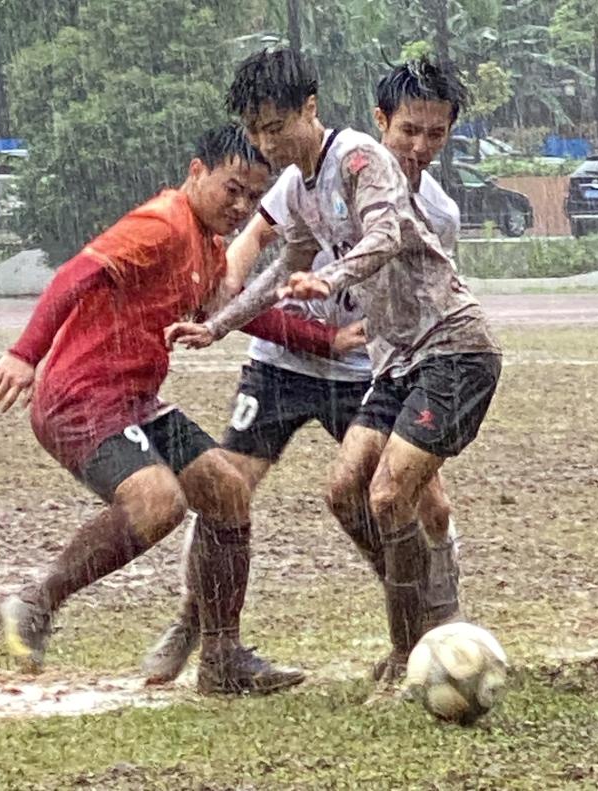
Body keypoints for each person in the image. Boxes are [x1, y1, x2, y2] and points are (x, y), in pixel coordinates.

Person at [166, 48, 502, 685]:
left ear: (310, 109)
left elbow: (387, 235)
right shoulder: (301, 184)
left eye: (276, 126)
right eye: (257, 131)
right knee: (344, 493)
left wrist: (332, 277)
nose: (267, 142)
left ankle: (412, 648)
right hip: (397, 364)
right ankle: (424, 620)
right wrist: (216, 326)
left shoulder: (357, 158)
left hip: (452, 350)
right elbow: (281, 267)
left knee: (393, 495)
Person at [0, 126, 317, 694]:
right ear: (196, 172)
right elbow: (75, 275)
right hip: (80, 398)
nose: (241, 208)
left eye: (254, 198)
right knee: (157, 503)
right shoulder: (162, 223)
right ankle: (37, 602)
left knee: (227, 490)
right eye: (232, 190)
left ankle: (222, 659)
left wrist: (330, 341)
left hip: (135, 402)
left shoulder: (207, 246)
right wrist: (24, 354)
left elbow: (239, 313)